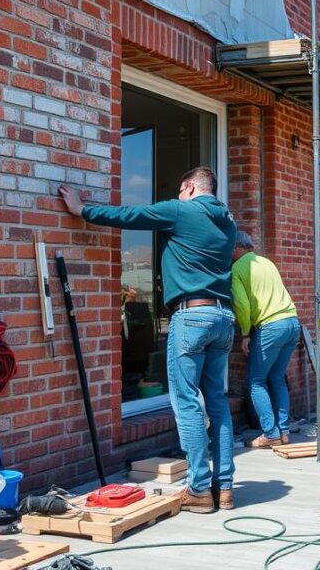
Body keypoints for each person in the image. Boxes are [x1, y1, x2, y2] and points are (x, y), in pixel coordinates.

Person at [59, 167, 237, 513]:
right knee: (217, 401)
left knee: (186, 402)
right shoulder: (228, 221)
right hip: (223, 317)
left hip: (192, 316)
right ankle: (225, 486)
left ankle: (199, 489)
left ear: (188, 187)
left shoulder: (181, 208)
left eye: (180, 190)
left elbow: (131, 215)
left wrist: (82, 210)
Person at [230, 231, 300, 449]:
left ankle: (270, 433)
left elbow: (242, 306)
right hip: (292, 322)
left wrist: (245, 333)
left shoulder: (238, 269)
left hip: (270, 326)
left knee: (256, 381)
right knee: (277, 377)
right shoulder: (267, 262)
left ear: (237, 248)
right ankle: (284, 431)